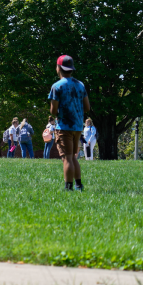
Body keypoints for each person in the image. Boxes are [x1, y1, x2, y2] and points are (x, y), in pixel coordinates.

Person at [49, 55, 91, 192]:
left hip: (64, 126)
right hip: (78, 126)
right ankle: (79, 185)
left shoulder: (56, 86)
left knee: (67, 158)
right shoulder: (80, 85)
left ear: (59, 68)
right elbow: (87, 107)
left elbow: (53, 110)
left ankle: (68, 187)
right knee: (73, 157)